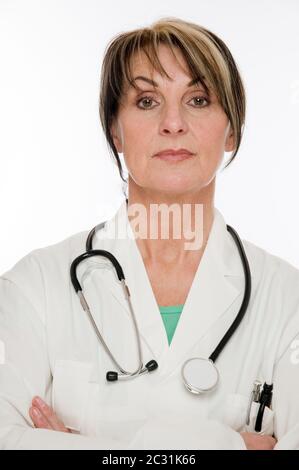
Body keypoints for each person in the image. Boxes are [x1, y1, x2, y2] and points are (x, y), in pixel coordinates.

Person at [1, 17, 299, 451]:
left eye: (198, 99)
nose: (173, 123)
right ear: (114, 130)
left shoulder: (288, 300)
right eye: (146, 101)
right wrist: (231, 445)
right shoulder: (34, 287)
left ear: (232, 130)